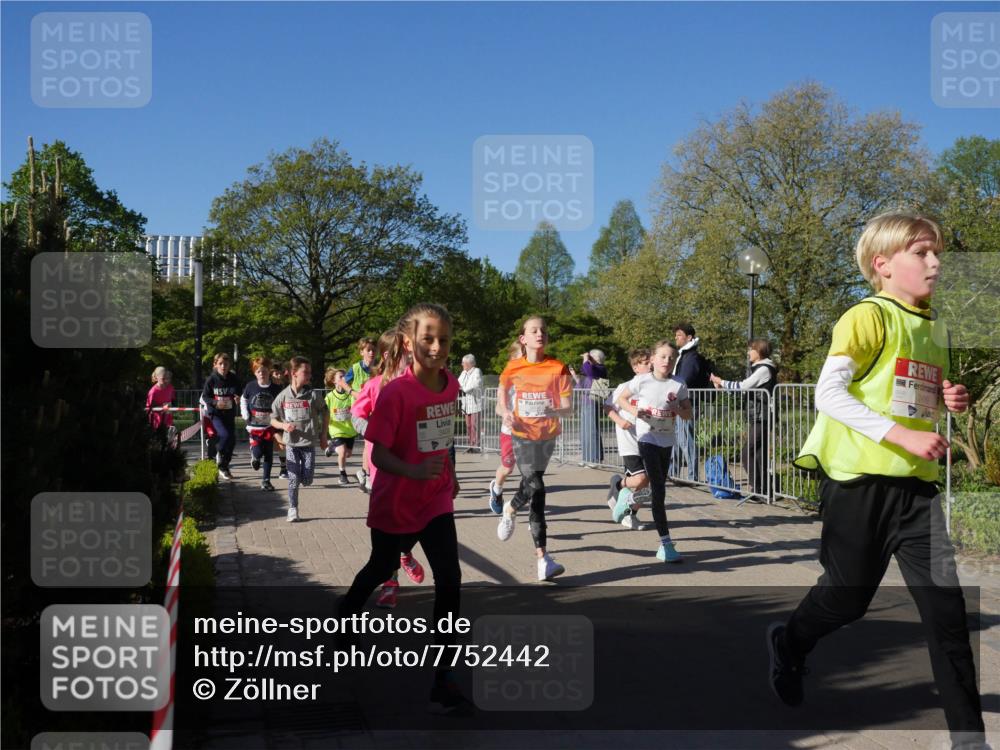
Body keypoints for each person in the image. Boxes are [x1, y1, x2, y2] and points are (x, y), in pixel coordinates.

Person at [768, 211, 984, 749]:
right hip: (858, 484)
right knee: (847, 599)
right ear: (882, 265)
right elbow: (829, 395)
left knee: (947, 612)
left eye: (937, 252)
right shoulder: (866, 317)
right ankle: (790, 643)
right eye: (922, 253)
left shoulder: (934, 326)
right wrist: (901, 436)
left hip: (916, 491)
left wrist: (949, 400)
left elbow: (912, 396)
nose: (935, 262)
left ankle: (969, 739)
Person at [337, 303, 471, 716]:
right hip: (396, 500)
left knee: (449, 578)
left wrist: (448, 470)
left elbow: (442, 435)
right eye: (428, 338)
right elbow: (378, 456)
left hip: (435, 498)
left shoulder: (450, 385)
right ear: (410, 342)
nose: (437, 347)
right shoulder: (395, 392)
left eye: (444, 340)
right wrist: (413, 469)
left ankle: (443, 677)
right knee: (380, 566)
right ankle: (345, 611)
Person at [350, 329, 427, 608]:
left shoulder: (419, 384)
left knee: (421, 518)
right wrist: (374, 430)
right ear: (389, 355)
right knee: (387, 529)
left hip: (415, 467)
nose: (411, 354)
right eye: (406, 350)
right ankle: (390, 582)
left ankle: (405, 552)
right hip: (382, 469)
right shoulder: (374, 386)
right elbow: (356, 415)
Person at [496, 316, 573, 581]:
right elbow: (499, 403)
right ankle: (543, 558)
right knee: (537, 487)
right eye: (534, 330)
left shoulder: (558, 368)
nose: (540, 333)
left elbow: (568, 406)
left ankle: (511, 508)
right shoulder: (512, 367)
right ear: (523, 339)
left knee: (533, 485)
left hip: (548, 436)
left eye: (543, 330)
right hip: (521, 435)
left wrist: (556, 409)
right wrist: (506, 412)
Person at [615, 341, 693, 563]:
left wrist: (679, 410)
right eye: (662, 357)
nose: (667, 361)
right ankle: (666, 544)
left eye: (671, 358)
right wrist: (634, 410)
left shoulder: (679, 384)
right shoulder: (642, 380)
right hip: (647, 437)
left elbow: (689, 413)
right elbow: (621, 398)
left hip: (666, 441)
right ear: (653, 359)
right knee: (658, 489)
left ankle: (630, 501)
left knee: (659, 489)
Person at [710, 339, 778, 497]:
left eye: (750, 349)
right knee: (758, 454)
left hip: (763, 417)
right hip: (759, 416)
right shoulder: (760, 369)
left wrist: (721, 381)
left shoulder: (764, 369)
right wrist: (722, 387)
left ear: (759, 351)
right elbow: (743, 391)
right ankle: (763, 490)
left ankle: (758, 489)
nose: (748, 352)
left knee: (747, 453)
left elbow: (744, 386)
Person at [270, 356, 328, 522]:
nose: (309, 375)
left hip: (308, 443)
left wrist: (323, 435)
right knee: (293, 478)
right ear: (294, 373)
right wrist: (283, 426)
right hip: (291, 444)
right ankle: (293, 509)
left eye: (310, 372)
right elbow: (272, 418)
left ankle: (304, 478)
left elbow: (326, 412)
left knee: (308, 479)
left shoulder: (312, 395)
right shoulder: (283, 396)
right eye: (306, 372)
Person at [604, 348, 652, 530]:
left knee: (648, 483)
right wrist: (620, 420)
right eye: (645, 363)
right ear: (635, 367)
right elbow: (607, 407)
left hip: (650, 440)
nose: (649, 366)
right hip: (629, 441)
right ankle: (618, 484)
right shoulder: (625, 387)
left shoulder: (655, 388)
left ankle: (629, 513)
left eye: (650, 362)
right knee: (641, 479)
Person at [487, 341, 524, 515]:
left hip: (530, 434)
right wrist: (505, 414)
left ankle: (535, 515)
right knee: (507, 469)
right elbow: (497, 407)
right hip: (509, 432)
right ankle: (497, 489)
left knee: (531, 473)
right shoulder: (507, 380)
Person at [671, 324, 708, 482]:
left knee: (686, 439)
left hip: (688, 402)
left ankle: (693, 476)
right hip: (682, 402)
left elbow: (685, 380)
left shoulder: (691, 357)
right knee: (679, 439)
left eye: (679, 335)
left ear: (689, 337)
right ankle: (673, 472)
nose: (676, 337)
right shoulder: (684, 355)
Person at [241, 356, 282, 491]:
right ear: (254, 373)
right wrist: (245, 415)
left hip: (270, 425)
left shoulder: (276, 388)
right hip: (254, 426)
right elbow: (244, 400)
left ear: (269, 371)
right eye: (259, 371)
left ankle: (266, 481)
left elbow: (281, 404)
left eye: (264, 371)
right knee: (259, 451)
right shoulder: (250, 386)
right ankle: (255, 456)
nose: (262, 374)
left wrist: (281, 418)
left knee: (269, 454)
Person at [201, 353, 243, 480]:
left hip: (229, 413)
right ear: (215, 365)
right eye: (220, 364)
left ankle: (224, 466)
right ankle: (216, 451)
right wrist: (215, 402)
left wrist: (238, 397)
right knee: (224, 436)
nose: (223, 366)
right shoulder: (212, 379)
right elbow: (205, 396)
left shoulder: (233, 378)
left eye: (226, 364)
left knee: (232, 440)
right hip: (216, 414)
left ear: (229, 365)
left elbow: (239, 391)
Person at [346, 337, 377, 488]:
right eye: (368, 350)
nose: (371, 352)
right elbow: (342, 382)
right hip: (359, 412)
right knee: (370, 439)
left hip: (374, 411)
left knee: (368, 443)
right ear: (362, 352)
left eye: (373, 350)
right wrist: (353, 392)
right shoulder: (355, 368)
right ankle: (368, 475)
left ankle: (364, 473)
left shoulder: (378, 368)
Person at [569, 349, 607, 466]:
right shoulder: (590, 374)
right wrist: (574, 376)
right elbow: (580, 387)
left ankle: (594, 459)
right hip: (585, 403)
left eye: (590, 358)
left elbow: (588, 369)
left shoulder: (600, 368)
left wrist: (586, 358)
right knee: (585, 432)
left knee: (592, 430)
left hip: (593, 402)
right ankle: (586, 458)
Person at [324, 368, 357, 486]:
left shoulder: (351, 394)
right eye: (341, 377)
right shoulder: (329, 397)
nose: (344, 379)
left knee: (347, 454)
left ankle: (332, 447)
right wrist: (324, 429)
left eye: (345, 377)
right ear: (334, 381)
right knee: (342, 452)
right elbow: (325, 413)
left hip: (349, 429)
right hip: (335, 429)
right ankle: (342, 474)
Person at [457, 354, 483, 452]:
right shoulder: (464, 372)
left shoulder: (477, 371)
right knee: (468, 425)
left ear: (469, 363)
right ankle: (471, 445)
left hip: (475, 403)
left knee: (474, 425)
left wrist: (464, 388)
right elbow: (458, 383)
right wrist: (464, 387)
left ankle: (476, 446)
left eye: (463, 363)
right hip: (467, 404)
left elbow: (474, 384)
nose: (462, 364)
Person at [270, 364, 289, 479]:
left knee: (282, 444)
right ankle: (255, 455)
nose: (279, 376)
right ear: (271, 375)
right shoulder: (268, 387)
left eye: (280, 373)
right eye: (276, 374)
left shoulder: (285, 387)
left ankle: (283, 468)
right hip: (267, 419)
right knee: (269, 446)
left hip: (280, 420)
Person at [146, 366, 175, 436]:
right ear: (156, 378)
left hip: (168, 420)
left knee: (170, 441)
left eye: (167, 378)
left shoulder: (170, 388)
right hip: (156, 422)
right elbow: (149, 409)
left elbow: (171, 401)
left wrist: (170, 407)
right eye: (163, 378)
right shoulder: (153, 392)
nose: (166, 381)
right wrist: (162, 407)